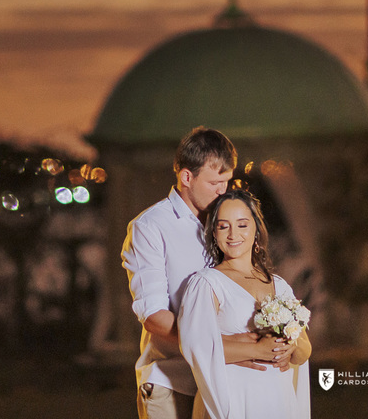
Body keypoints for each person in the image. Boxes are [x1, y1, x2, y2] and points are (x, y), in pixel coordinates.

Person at [123, 128, 291, 419]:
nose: (222, 191)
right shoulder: (150, 228)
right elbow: (154, 316)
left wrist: (277, 344)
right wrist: (237, 346)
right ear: (187, 177)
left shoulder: (224, 222)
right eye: (215, 182)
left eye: (227, 182)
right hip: (174, 380)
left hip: (227, 381)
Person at [178, 189, 312, 419]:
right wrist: (256, 349)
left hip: (278, 399)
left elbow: (304, 351)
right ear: (213, 232)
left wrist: (291, 347)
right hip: (234, 400)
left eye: (242, 224)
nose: (233, 234)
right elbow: (194, 348)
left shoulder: (279, 285)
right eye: (223, 226)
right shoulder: (207, 283)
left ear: (256, 229)